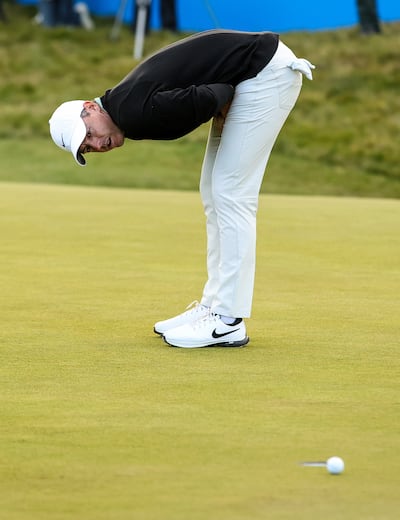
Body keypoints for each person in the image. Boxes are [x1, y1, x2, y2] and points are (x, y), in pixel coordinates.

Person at [48, 29, 315, 349]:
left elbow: (212, 95)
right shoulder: (123, 104)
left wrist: (221, 99)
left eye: (88, 134)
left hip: (265, 72)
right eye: (87, 148)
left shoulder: (131, 113)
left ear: (91, 108)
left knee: (231, 194)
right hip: (255, 69)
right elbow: (208, 92)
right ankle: (214, 305)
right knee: (214, 190)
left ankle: (228, 320)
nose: (96, 145)